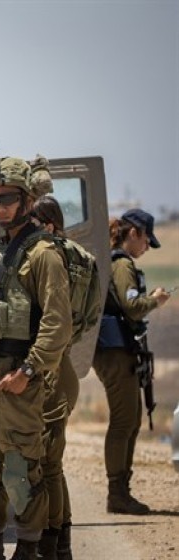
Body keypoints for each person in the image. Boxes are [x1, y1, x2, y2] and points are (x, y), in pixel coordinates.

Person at [0, 156, 72, 560]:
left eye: (8, 198)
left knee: (21, 470)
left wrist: (28, 370)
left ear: (27, 200)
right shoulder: (0, 251)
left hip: (19, 377)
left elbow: (57, 324)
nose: (1, 207)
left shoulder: (44, 254)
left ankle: (28, 548)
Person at [92, 208, 171, 515]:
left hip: (117, 349)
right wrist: (156, 300)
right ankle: (117, 493)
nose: (147, 247)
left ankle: (122, 490)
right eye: (146, 240)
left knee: (131, 419)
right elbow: (133, 306)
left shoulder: (118, 262)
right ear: (134, 233)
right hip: (114, 352)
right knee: (124, 421)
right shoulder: (122, 263)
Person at [30, 195, 78, 560]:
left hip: (53, 373)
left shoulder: (53, 260)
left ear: (48, 225)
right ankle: (59, 544)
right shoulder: (59, 256)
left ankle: (55, 544)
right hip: (56, 370)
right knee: (50, 465)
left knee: (48, 465)